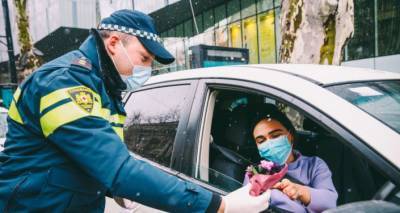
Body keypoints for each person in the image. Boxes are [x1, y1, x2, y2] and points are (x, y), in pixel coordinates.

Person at [0, 10, 271, 212]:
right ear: (114, 43)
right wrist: (218, 205)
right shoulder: (64, 83)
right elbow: (116, 168)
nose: (146, 70)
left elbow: (81, 158)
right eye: (144, 59)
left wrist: (109, 188)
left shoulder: (105, 90)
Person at [244, 103, 338, 213]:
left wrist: (299, 191)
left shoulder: (314, 165)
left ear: (291, 135)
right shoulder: (255, 172)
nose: (269, 143)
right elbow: (247, 205)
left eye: (276, 136)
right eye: (261, 141)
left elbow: (330, 204)